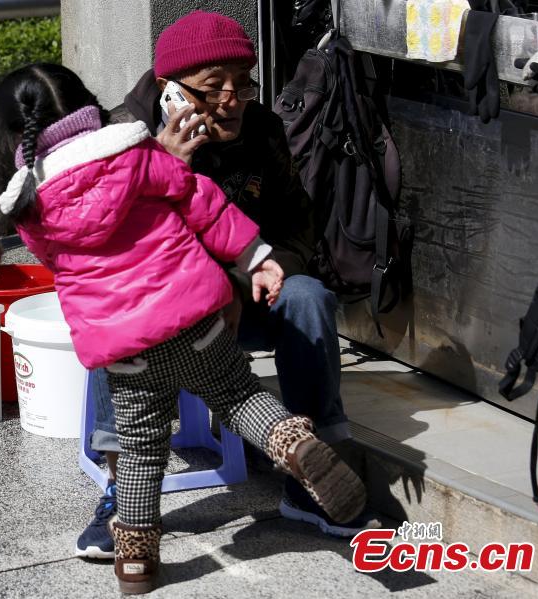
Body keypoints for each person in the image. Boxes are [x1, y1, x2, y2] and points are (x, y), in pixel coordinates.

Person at [0, 61, 366, 594]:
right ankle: (297, 447)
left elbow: (55, 261)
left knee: (141, 451)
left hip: (124, 347)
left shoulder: (31, 204)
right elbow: (201, 201)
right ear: (88, 106)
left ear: (15, 133)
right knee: (238, 397)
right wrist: (256, 257)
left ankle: (136, 563)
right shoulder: (137, 153)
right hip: (194, 321)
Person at [75, 10, 379, 560]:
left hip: (241, 298)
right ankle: (122, 497)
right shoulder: (122, 139)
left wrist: (239, 283)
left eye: (243, 83)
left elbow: (297, 226)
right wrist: (161, 168)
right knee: (114, 319)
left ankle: (315, 476)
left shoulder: (262, 129)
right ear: (170, 90)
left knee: (308, 297)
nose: (232, 100)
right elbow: (103, 248)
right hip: (153, 309)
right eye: (214, 87)